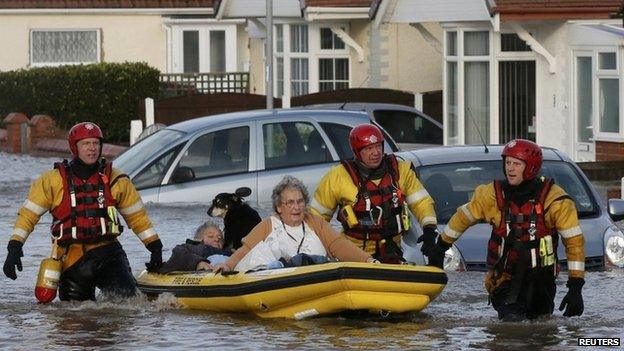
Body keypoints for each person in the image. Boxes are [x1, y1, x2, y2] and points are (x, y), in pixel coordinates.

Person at [2, 122, 163, 301]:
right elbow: (27, 216)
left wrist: (155, 247)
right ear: (74, 147)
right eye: (86, 144)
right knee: (74, 319)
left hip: (109, 255)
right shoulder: (51, 181)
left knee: (128, 309)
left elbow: (138, 218)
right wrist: (14, 247)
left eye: (95, 143)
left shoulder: (117, 180)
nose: (92, 148)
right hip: (72, 260)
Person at [427, 139, 585, 321]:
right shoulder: (491, 195)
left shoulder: (555, 200)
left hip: (542, 281)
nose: (510, 168)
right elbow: (462, 218)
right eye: (507, 163)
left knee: (541, 329)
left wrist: (575, 286)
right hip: (504, 279)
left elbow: (574, 243)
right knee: (512, 327)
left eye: (516, 164)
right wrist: (441, 246)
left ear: (531, 167)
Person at [310, 124, 439, 263]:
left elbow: (422, 202)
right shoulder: (338, 176)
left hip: (392, 252)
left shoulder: (401, 171)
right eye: (369, 148)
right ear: (357, 151)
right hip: (354, 255)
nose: (376, 152)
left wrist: (429, 229)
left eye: (378, 146)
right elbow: (316, 218)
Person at [214, 175, 375, 273]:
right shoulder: (268, 225)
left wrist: (368, 261)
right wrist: (228, 265)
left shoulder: (315, 222)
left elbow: (338, 245)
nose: (296, 207)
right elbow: (246, 249)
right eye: (290, 203)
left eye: (300, 201)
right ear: (279, 206)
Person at [160, 221, 232, 273]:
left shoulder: (230, 252)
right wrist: (198, 263)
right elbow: (178, 253)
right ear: (199, 239)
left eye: (219, 237)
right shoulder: (196, 248)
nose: (216, 239)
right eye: (210, 236)